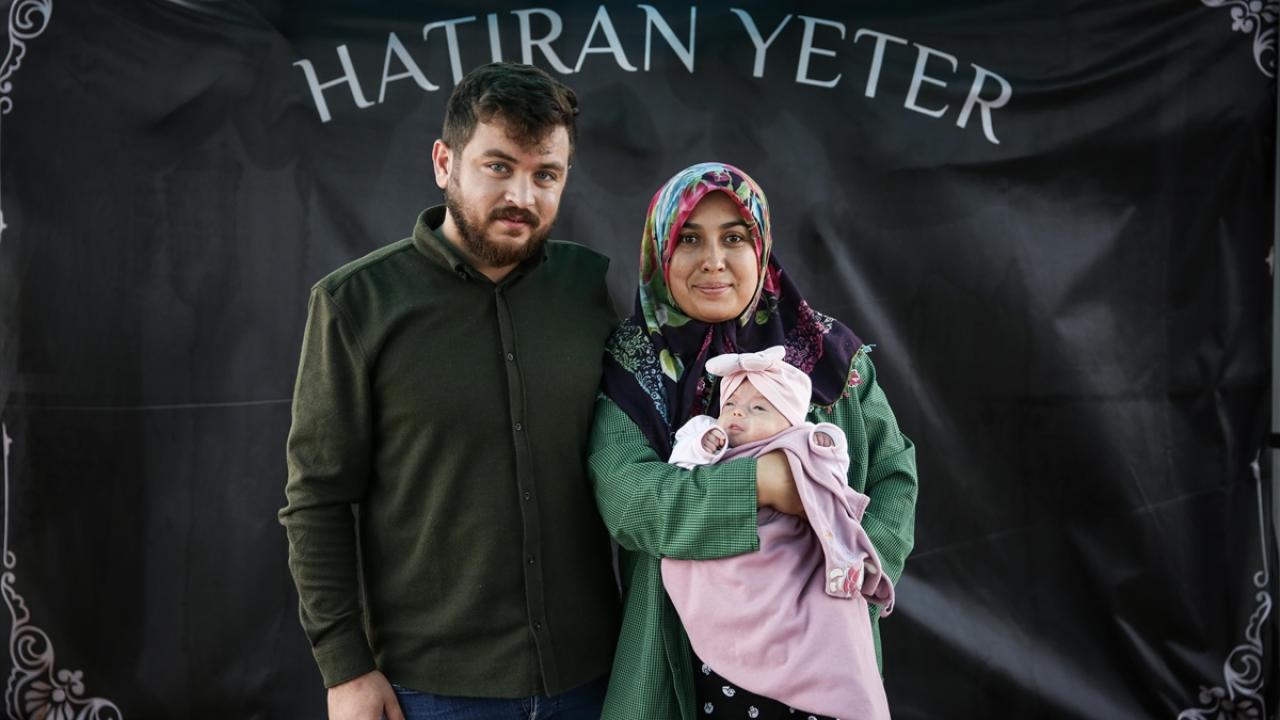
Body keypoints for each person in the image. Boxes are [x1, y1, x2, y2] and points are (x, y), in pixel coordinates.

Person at [280, 62, 620, 720]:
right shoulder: (356, 305)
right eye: (498, 166)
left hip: (592, 680)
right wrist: (345, 669)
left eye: (546, 175)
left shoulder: (588, 289)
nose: (522, 195)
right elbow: (317, 501)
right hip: (432, 692)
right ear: (445, 162)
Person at [588, 162, 918, 719]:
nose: (713, 260)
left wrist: (852, 576)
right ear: (660, 251)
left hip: (820, 651)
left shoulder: (827, 355)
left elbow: (894, 474)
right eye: (689, 238)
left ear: (761, 248)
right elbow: (629, 500)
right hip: (684, 663)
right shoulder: (634, 364)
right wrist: (762, 484)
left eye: (734, 238)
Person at [662, 345, 893, 720]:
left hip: (788, 569)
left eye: (759, 408)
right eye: (731, 404)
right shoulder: (711, 435)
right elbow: (681, 463)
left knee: (830, 624)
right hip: (729, 573)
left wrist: (820, 445)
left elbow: (833, 469)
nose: (738, 413)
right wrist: (705, 446)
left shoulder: (800, 439)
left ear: (789, 421)